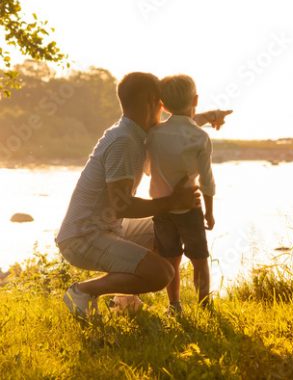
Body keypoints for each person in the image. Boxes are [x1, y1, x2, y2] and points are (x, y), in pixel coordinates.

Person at [56, 72, 231, 317]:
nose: (165, 109)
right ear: (152, 101)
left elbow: (179, 128)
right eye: (162, 103)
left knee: (165, 226)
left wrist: (210, 116)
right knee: (161, 273)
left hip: (106, 228)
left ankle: (123, 301)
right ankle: (83, 291)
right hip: (83, 237)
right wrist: (172, 201)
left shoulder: (136, 131)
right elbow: (121, 206)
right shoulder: (124, 142)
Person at [147, 74, 215, 313]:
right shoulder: (200, 137)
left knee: (170, 260)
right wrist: (210, 213)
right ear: (195, 99)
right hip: (190, 209)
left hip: (161, 208)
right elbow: (207, 180)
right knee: (199, 260)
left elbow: (147, 168)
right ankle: (205, 304)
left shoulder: (153, 134)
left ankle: (174, 304)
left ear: (163, 106)